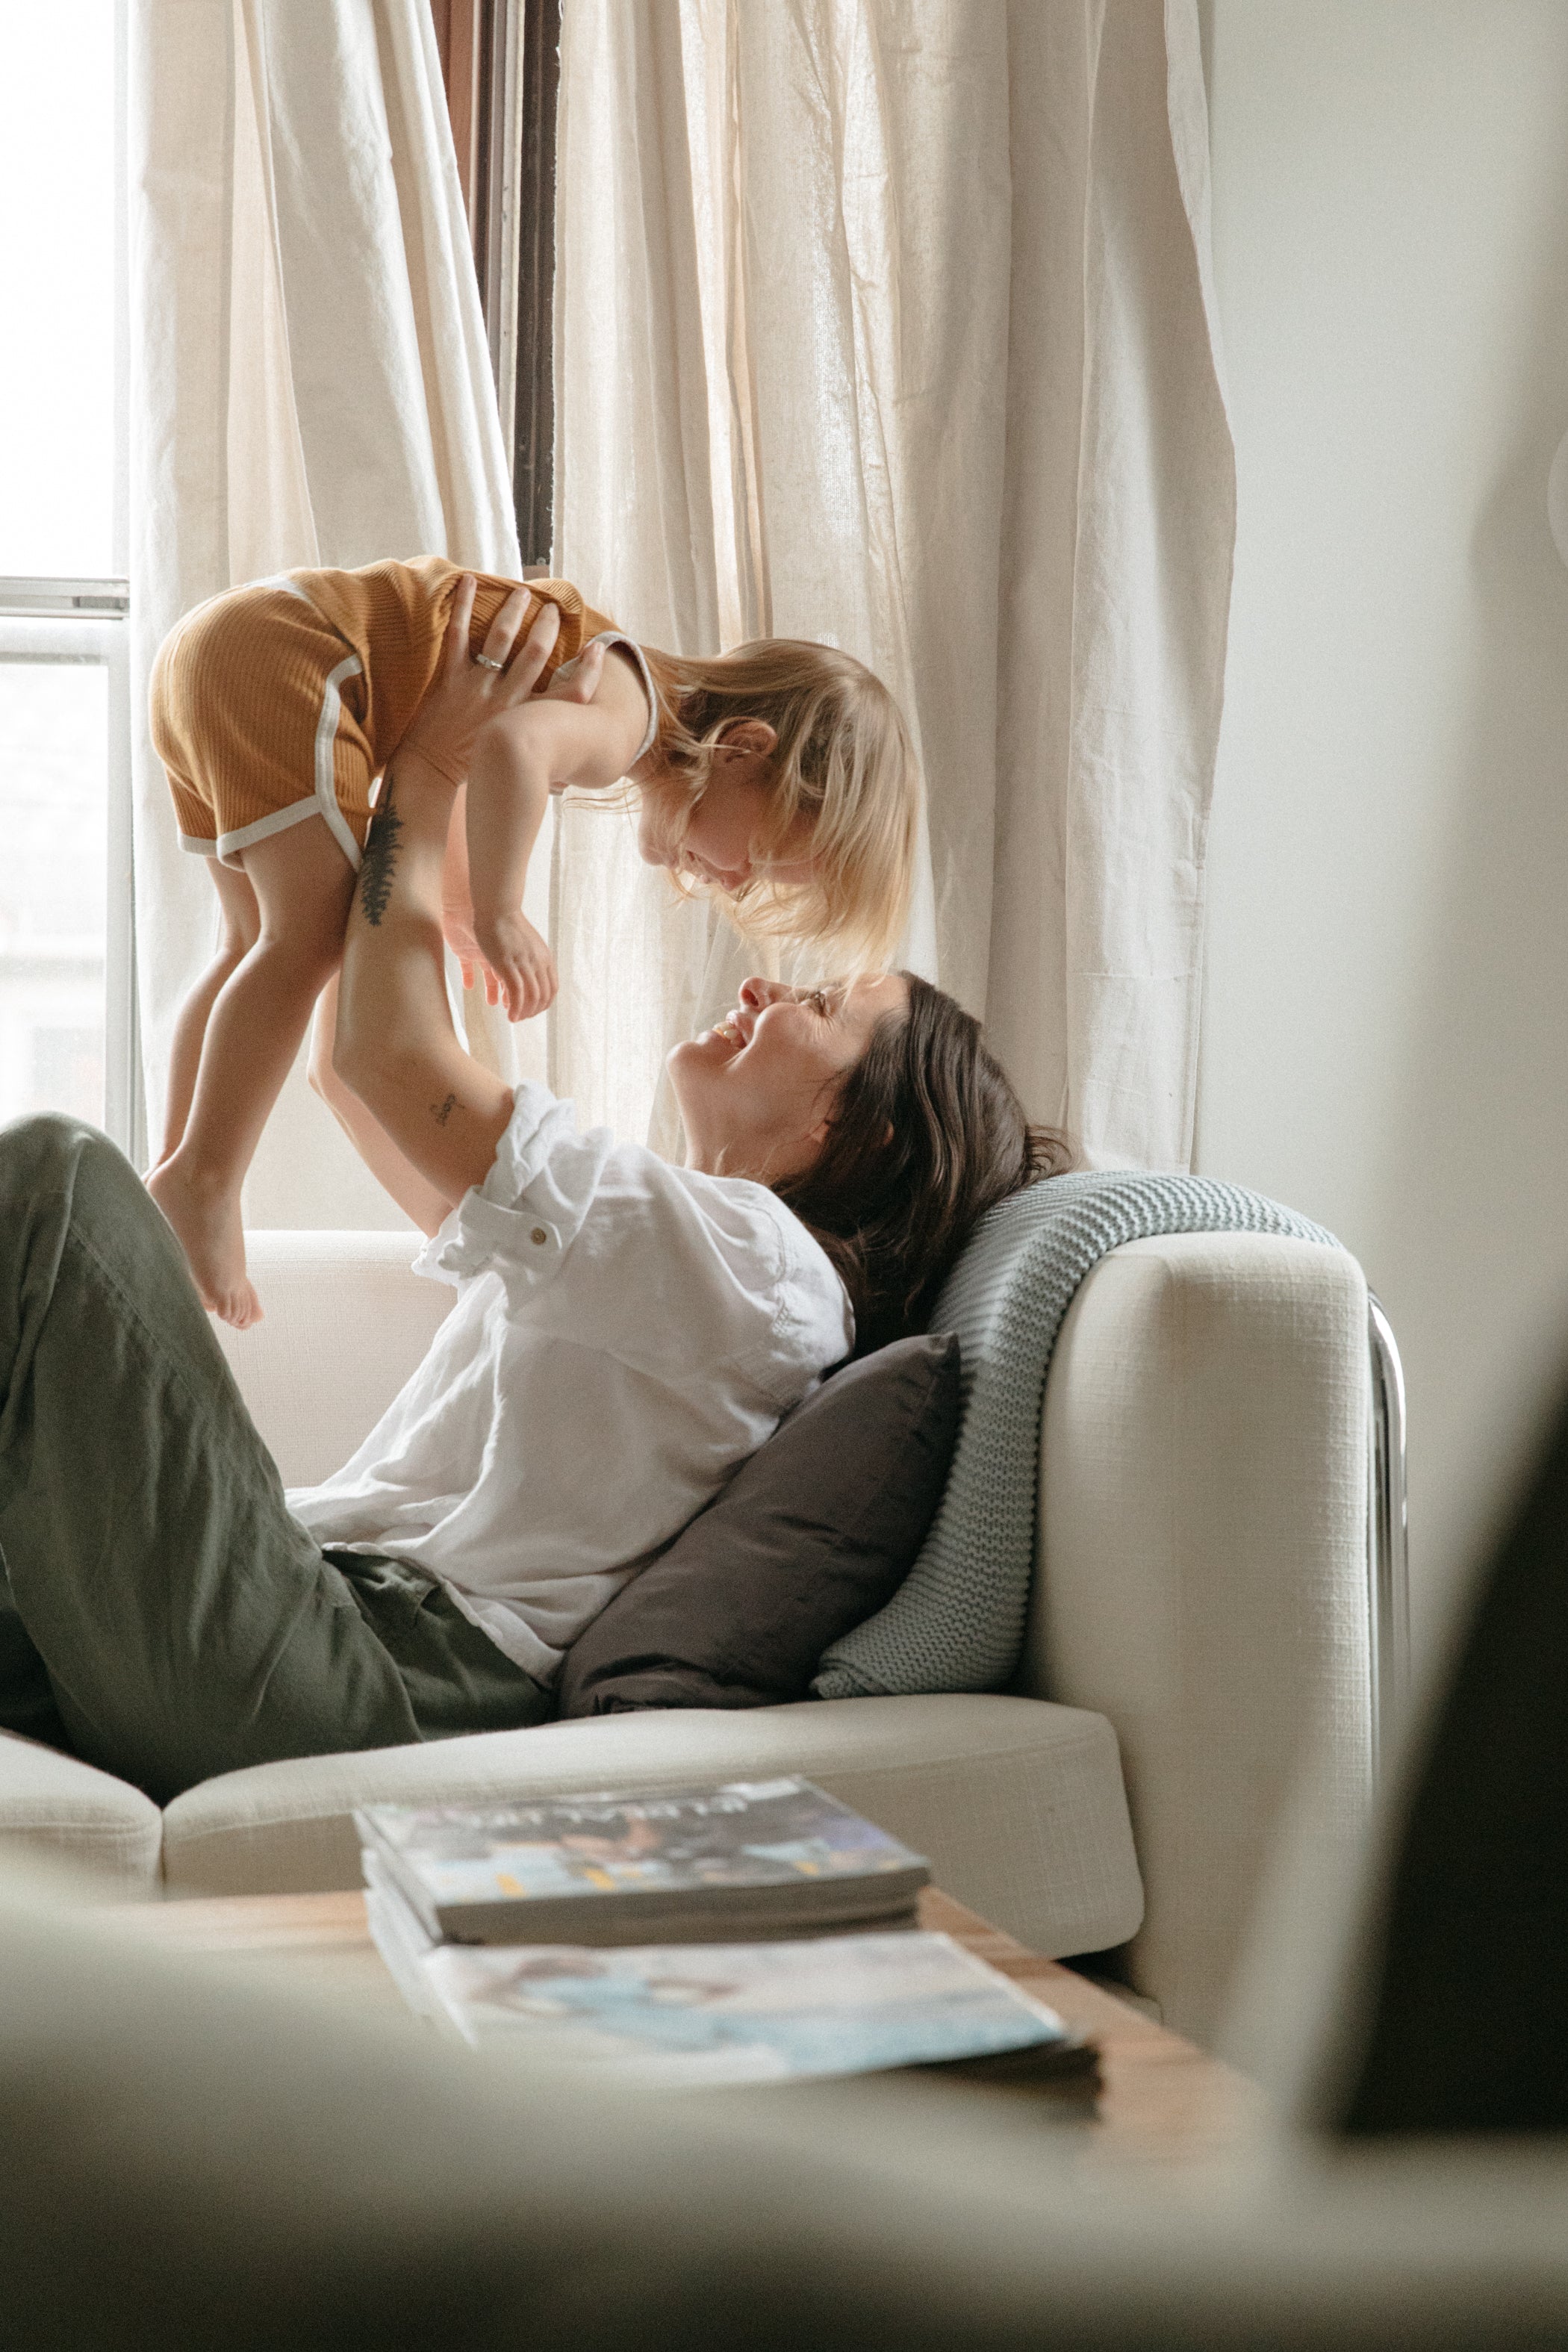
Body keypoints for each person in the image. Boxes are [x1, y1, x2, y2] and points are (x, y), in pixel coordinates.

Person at [0, 593, 1056, 1805]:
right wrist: (414, 812)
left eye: (820, 1008)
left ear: (852, 1123)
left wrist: (434, 762)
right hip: (313, 1623)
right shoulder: (688, 1265)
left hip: (361, 1683)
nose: (766, 985)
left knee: (62, 1189)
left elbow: (391, 1064)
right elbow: (360, 1077)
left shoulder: (764, 1270)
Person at [146, 558, 921, 1328]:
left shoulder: (604, 676)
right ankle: (206, 1176)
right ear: (744, 748)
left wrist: (455, 909)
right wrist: (500, 913)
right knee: (305, 937)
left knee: (251, 942)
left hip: (222, 650)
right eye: (756, 857)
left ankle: (177, 1168)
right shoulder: (625, 714)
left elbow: (462, 764)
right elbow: (509, 748)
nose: (730, 881)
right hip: (296, 661)